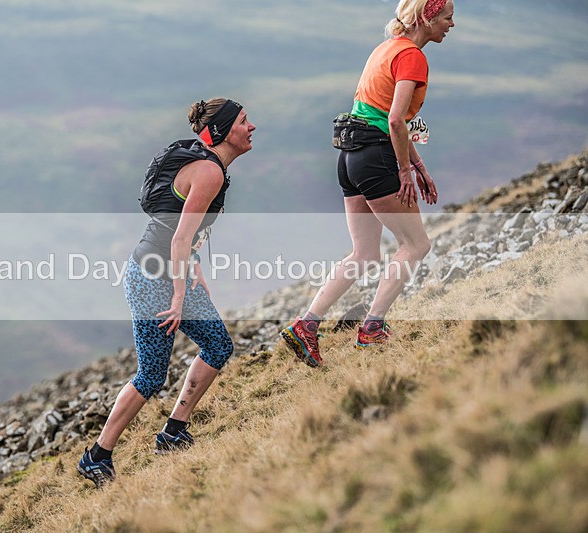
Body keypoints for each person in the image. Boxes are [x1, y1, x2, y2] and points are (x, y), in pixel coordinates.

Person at [77, 98, 256, 487]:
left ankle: (174, 432)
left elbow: (179, 232)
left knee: (218, 346)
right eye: (244, 121)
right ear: (225, 131)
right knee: (152, 374)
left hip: (172, 271)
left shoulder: (211, 168)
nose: (252, 127)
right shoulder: (208, 171)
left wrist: (193, 270)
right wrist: (178, 296)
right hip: (149, 277)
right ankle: (96, 456)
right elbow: (177, 238)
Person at [281, 0, 454, 366]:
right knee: (416, 244)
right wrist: (405, 172)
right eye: (447, 16)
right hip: (377, 157)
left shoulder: (385, 48)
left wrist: (417, 164)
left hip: (351, 157)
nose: (451, 24)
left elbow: (375, 113)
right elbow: (394, 120)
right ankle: (373, 327)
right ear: (427, 17)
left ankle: (306, 325)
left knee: (363, 254)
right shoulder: (412, 56)